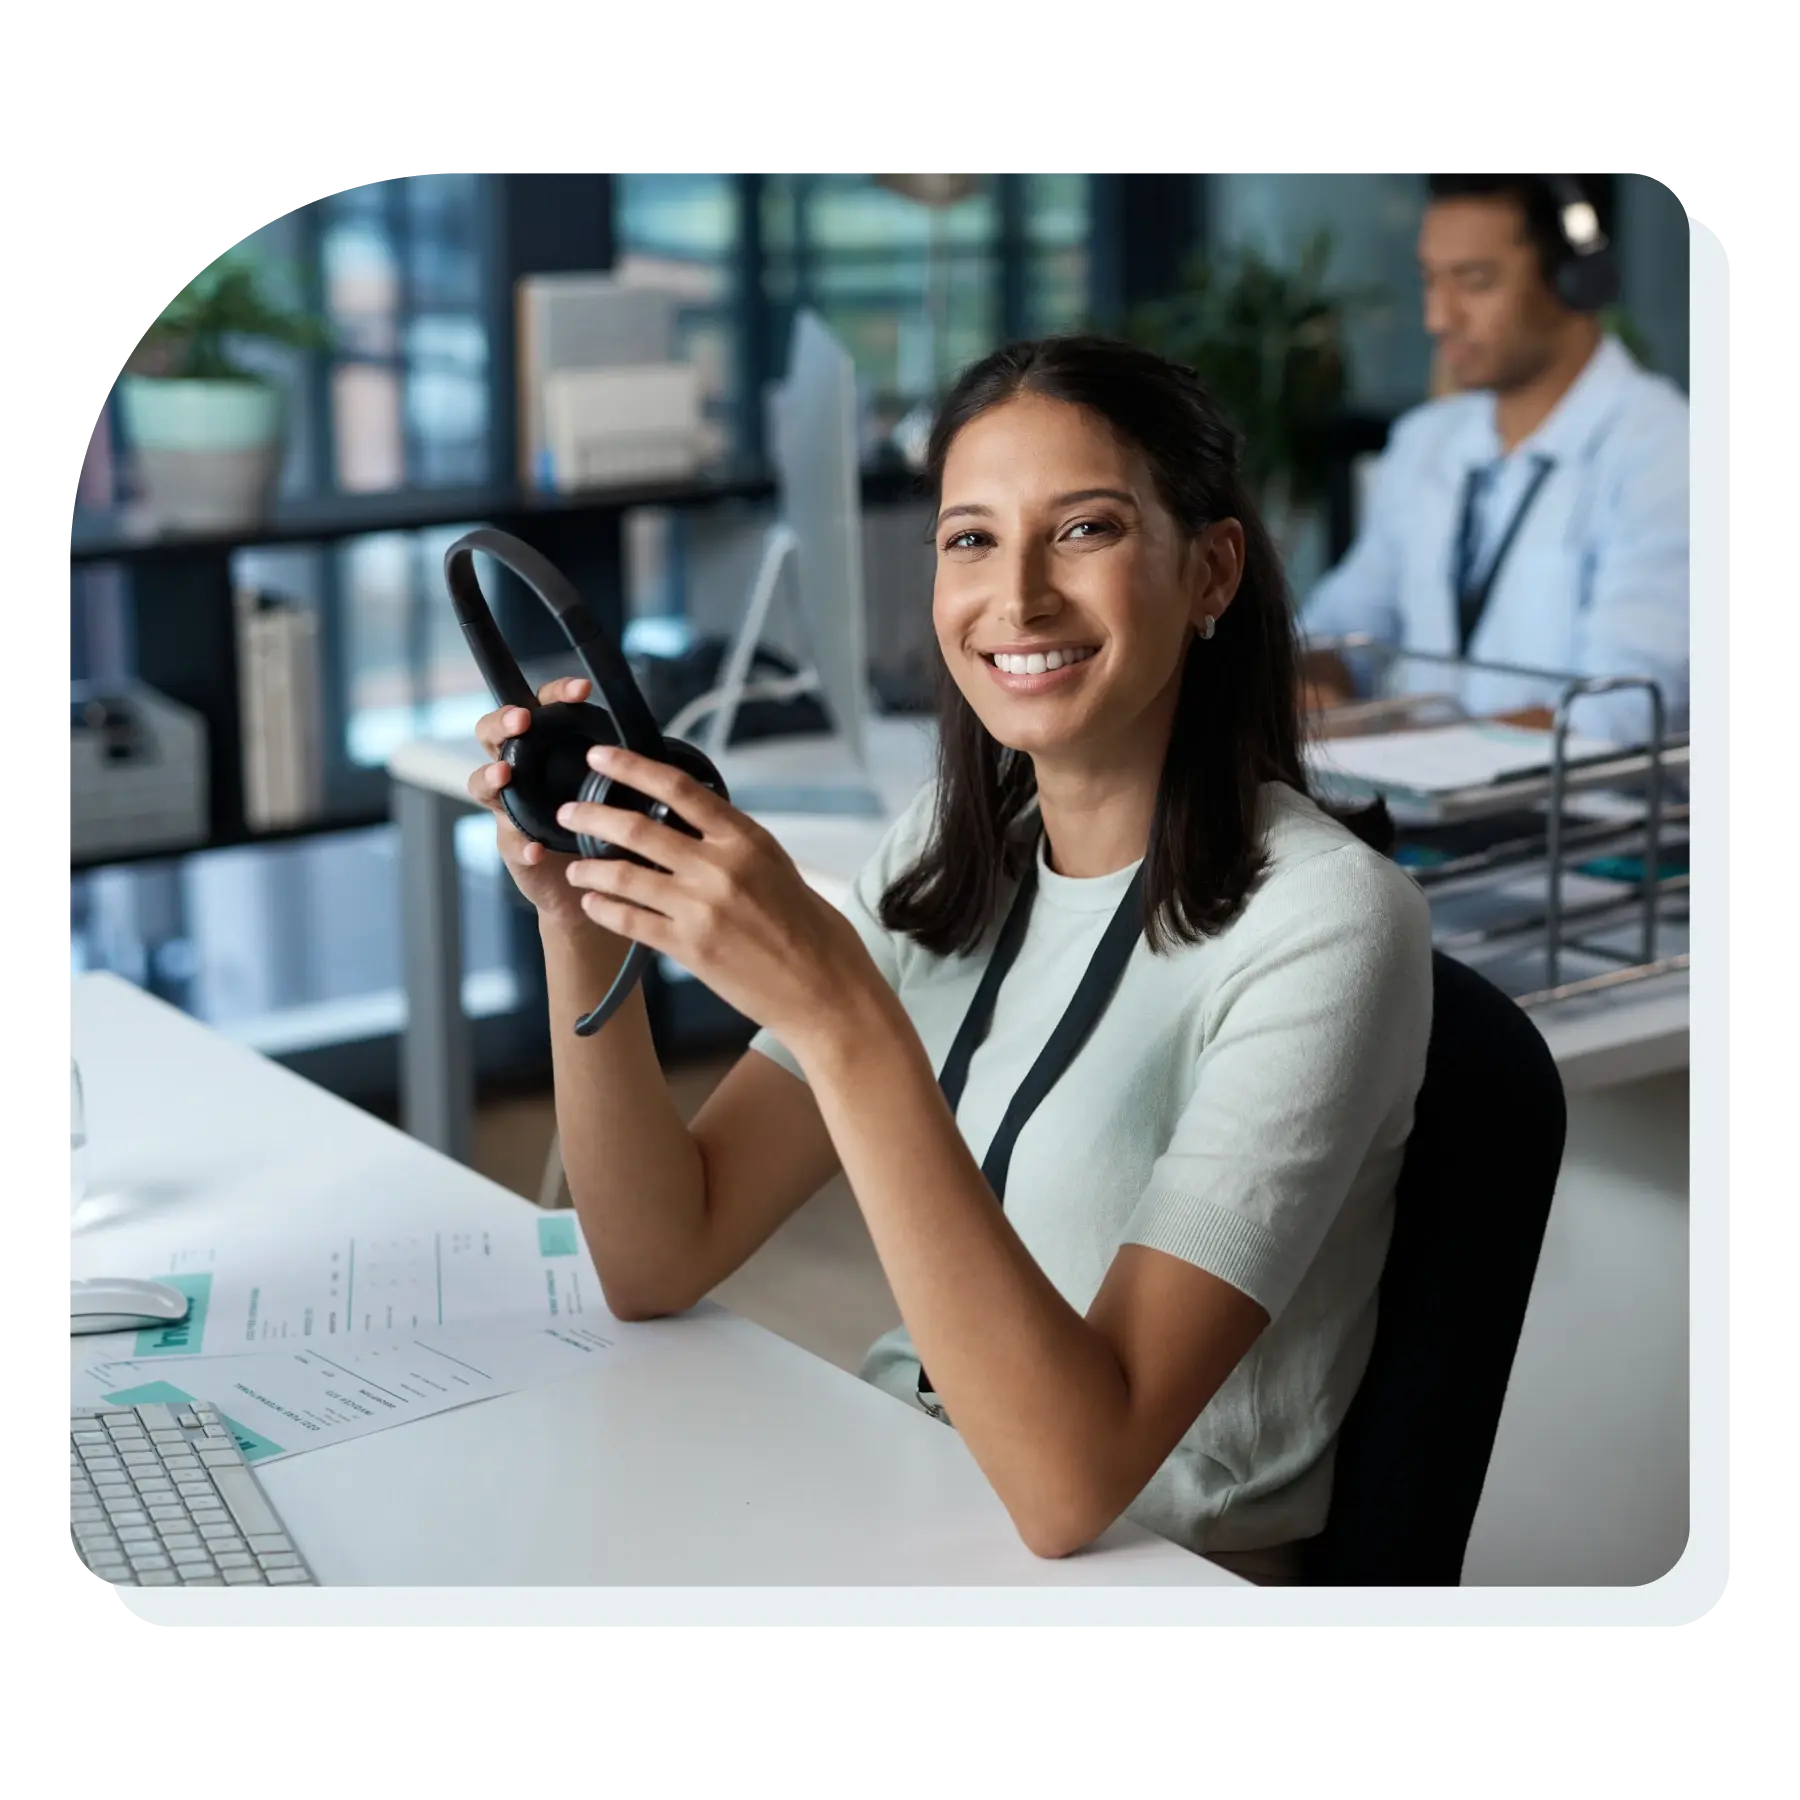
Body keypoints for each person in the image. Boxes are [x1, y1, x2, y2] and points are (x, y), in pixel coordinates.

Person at [468, 336, 1434, 1584]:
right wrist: (578, 918)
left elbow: (1069, 1485)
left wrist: (846, 1019)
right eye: (970, 539)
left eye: (1083, 530)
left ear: (1211, 571)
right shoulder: (953, 851)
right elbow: (658, 1256)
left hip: (1154, 1571)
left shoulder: (1330, 925)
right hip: (911, 1493)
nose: (1018, 599)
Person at [1301, 168, 1689, 748]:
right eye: (1431, 281)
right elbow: (1335, 630)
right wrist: (1302, 681)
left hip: (1586, 828)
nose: (1438, 318)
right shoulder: (1424, 442)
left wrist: (1393, 740)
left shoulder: (1670, 452)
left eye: (1474, 282)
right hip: (1416, 816)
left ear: (1574, 278)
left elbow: (1616, 714)